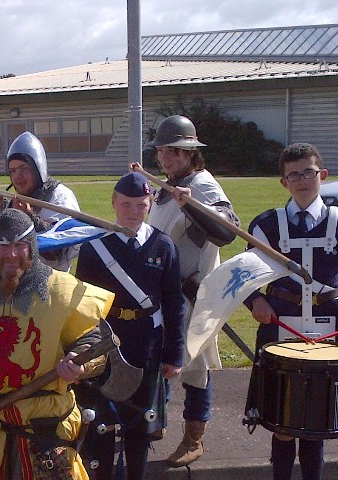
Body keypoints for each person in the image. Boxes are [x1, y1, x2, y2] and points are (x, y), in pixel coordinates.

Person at [0, 208, 116, 480]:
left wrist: (79, 363)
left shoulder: (62, 290)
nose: (11, 254)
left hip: (47, 430)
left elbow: (96, 340)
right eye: (2, 247)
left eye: (19, 245)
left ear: (31, 245)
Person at [137, 114, 239, 467]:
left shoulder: (202, 184)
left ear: (191, 154)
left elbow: (228, 230)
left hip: (192, 295)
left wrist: (191, 204)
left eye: (175, 152)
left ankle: (195, 439)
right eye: (163, 151)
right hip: (165, 294)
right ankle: (157, 423)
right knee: (162, 359)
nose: (166, 158)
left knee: (193, 367)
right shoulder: (167, 185)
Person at [74, 172, 186, 480]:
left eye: (140, 204)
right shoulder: (94, 246)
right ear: (113, 203)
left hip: (147, 342)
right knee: (102, 423)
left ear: (150, 204)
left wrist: (174, 354)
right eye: (126, 204)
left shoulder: (163, 245)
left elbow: (174, 301)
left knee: (140, 424)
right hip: (106, 343)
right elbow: (84, 304)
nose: (133, 212)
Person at [243, 143, 333, 480]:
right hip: (279, 328)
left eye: (308, 172)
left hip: (327, 331)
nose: (302, 180)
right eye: (293, 174)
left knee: (315, 423)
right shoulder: (266, 225)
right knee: (282, 424)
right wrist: (256, 301)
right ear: (284, 182)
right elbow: (243, 275)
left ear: (321, 175)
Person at [0, 131, 81, 272]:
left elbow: (58, 251)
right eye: (13, 171)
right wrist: (0, 203)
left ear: (38, 168)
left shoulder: (60, 197)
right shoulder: (22, 198)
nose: (18, 176)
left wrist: (29, 217)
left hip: (51, 279)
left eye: (24, 168)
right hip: (19, 280)